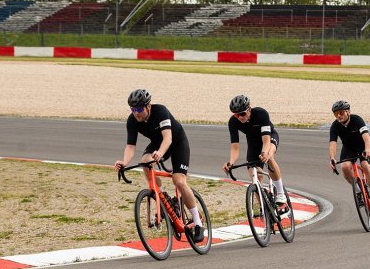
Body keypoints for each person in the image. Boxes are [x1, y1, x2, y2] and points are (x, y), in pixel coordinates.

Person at [114, 89, 205, 243]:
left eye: (139, 109)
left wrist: (160, 154)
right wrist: (124, 161)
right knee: (144, 161)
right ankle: (163, 197)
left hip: (176, 142)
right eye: (133, 109)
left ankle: (198, 222)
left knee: (179, 181)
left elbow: (168, 138)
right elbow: (130, 146)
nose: (136, 113)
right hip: (157, 143)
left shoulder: (160, 111)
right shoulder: (132, 120)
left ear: (148, 106)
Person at [222, 95, 288, 208]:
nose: (240, 117)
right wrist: (231, 163)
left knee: (269, 157)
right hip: (253, 142)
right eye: (236, 114)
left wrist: (265, 153)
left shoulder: (261, 114)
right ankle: (264, 207)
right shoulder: (233, 122)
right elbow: (235, 147)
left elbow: (266, 140)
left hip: (269, 137)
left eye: (242, 114)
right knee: (254, 175)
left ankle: (281, 193)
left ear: (249, 109)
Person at [327, 100, 370, 213]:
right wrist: (332, 158)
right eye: (336, 113)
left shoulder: (357, 119)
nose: (339, 116)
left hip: (363, 145)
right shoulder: (335, 125)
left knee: (365, 165)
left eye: (341, 112)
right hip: (349, 148)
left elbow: (366, 137)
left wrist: (367, 149)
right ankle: (358, 191)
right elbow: (332, 143)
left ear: (348, 112)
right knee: (344, 167)